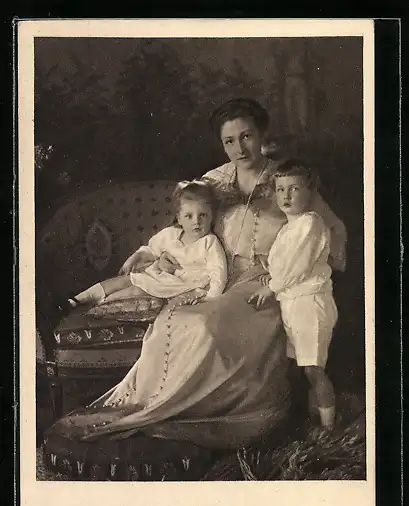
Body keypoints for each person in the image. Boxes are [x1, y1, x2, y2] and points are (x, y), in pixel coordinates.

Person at [42, 98, 347, 481]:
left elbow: (330, 229)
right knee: (186, 322)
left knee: (205, 327)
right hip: (216, 279)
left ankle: (209, 411)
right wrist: (163, 255)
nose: (239, 148)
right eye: (229, 140)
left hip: (264, 284)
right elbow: (184, 225)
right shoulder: (214, 180)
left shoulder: (287, 180)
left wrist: (309, 268)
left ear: (262, 134)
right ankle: (159, 404)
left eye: (247, 136)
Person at [249, 159, 338, 429]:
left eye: (294, 189)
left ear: (310, 192)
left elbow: (297, 267)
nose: (286, 196)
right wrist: (269, 274)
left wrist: (271, 286)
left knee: (313, 369)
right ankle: (313, 420)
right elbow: (283, 265)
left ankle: (329, 428)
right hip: (292, 304)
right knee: (302, 368)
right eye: (280, 189)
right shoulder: (289, 227)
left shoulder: (310, 223)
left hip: (310, 304)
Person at [66, 181, 227, 308]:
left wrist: (210, 298)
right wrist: (134, 258)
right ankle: (77, 300)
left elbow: (218, 273)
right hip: (158, 276)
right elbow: (151, 250)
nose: (196, 222)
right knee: (123, 281)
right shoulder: (170, 234)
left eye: (203, 215)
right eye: (189, 216)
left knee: (136, 291)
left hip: (179, 285)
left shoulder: (209, 243)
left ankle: (101, 305)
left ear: (212, 216)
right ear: (179, 218)